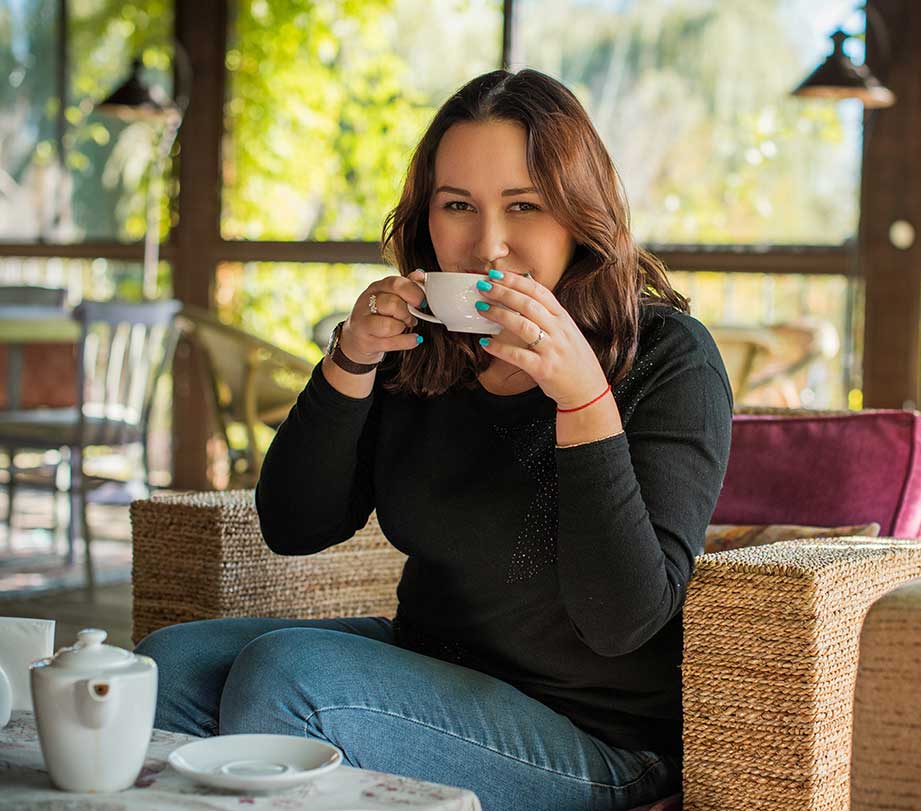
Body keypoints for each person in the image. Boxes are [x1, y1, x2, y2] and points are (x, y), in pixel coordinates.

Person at [135, 68, 733, 810]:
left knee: (287, 678)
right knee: (168, 665)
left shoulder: (668, 358)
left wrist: (581, 398)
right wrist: (350, 360)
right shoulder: (425, 348)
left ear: (580, 214)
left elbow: (624, 619)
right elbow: (294, 526)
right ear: (427, 221)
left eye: (525, 205)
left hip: (595, 737)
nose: (489, 246)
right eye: (459, 207)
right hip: (430, 671)